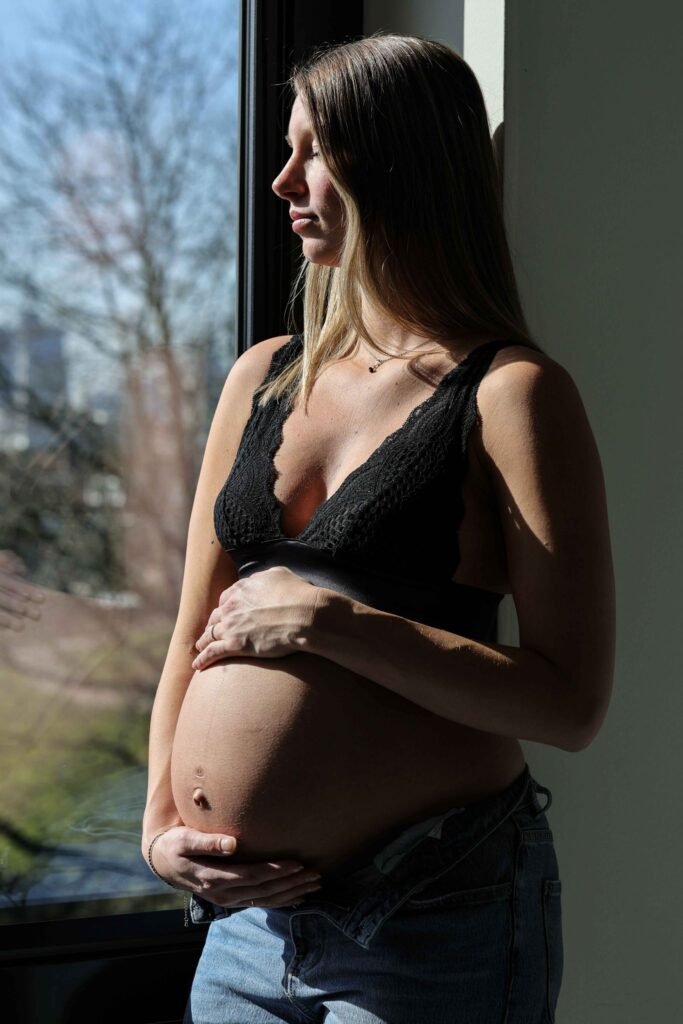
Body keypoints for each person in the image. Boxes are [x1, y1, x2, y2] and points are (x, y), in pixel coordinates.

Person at [141, 33, 615, 1024]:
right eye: (284, 147)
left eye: (314, 149)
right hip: (245, 927)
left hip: (433, 909)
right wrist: (156, 830)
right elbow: (191, 636)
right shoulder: (262, 375)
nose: (282, 179)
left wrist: (333, 627)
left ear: (396, 162)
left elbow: (568, 703)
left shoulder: (512, 395)